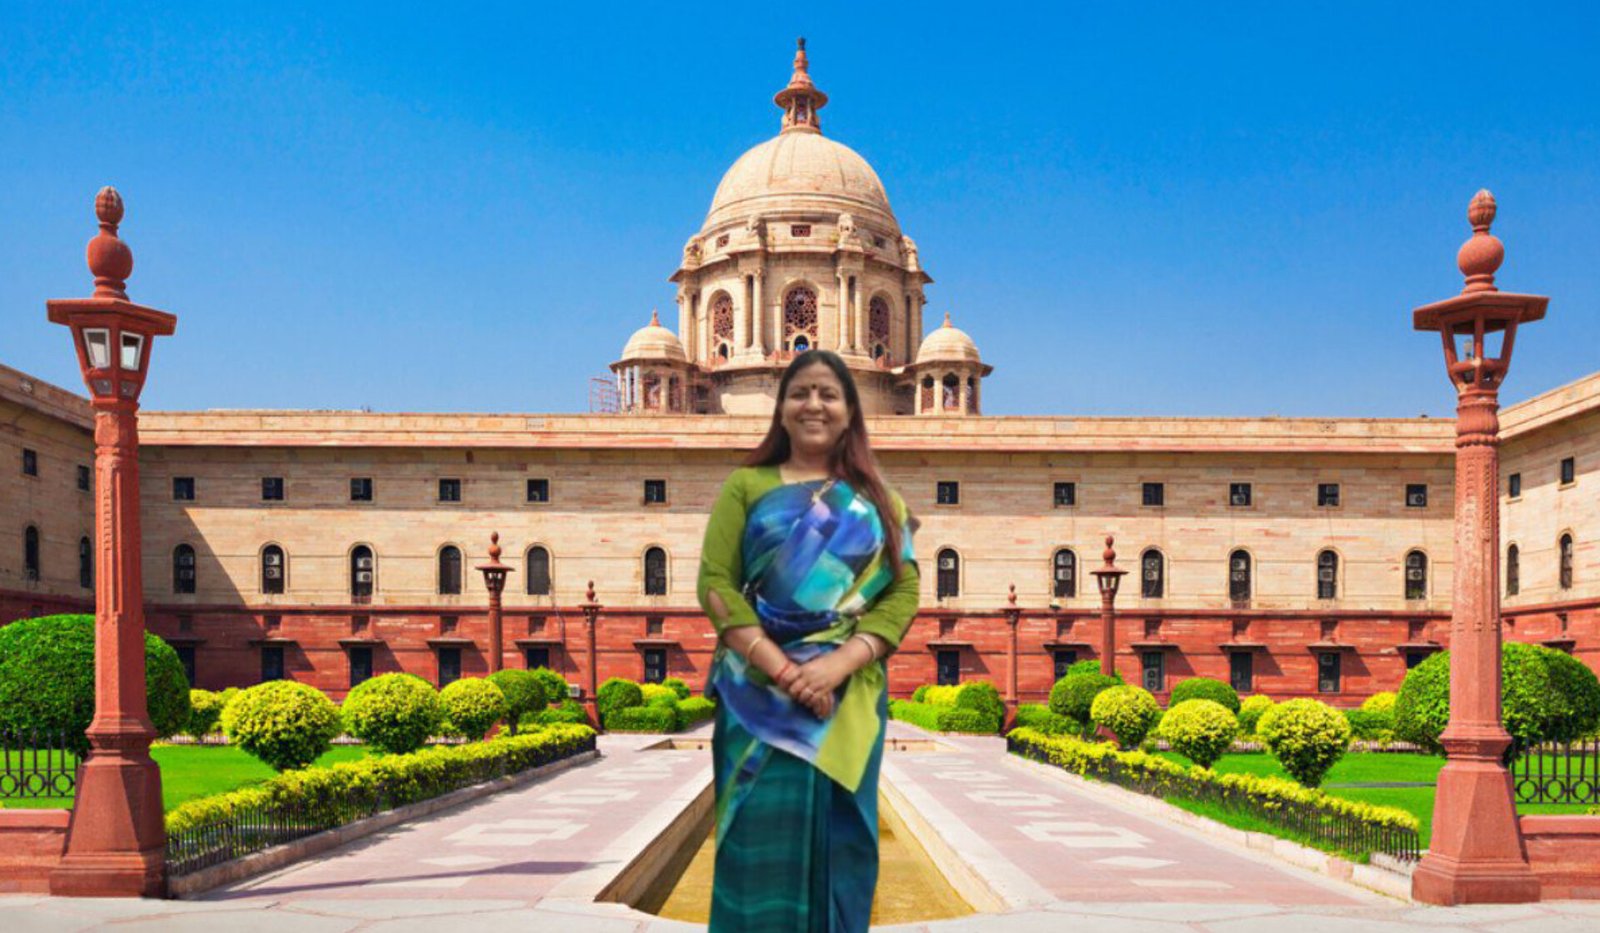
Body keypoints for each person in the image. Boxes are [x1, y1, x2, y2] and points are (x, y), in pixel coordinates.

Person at [697, 349, 920, 932]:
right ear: (782, 408)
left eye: (829, 393)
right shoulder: (745, 486)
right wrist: (787, 670)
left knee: (842, 849)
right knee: (752, 847)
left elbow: (901, 595)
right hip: (757, 697)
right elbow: (716, 584)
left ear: (851, 411)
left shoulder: (879, 503)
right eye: (800, 392)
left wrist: (836, 666)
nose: (814, 404)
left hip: (845, 698)